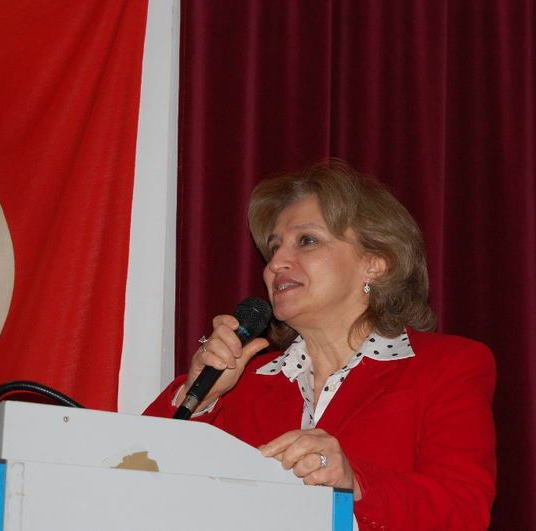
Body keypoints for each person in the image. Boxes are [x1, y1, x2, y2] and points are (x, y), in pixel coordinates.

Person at [144, 159, 496, 529]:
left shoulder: (449, 365)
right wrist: (200, 395)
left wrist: (354, 482)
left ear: (376, 263)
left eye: (306, 241)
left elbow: (463, 511)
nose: (275, 263)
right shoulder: (242, 381)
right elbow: (134, 473)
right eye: (274, 248)